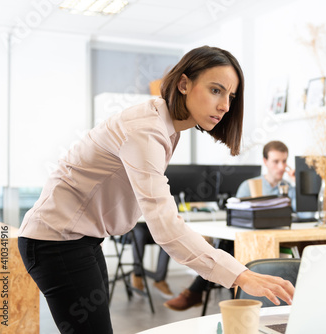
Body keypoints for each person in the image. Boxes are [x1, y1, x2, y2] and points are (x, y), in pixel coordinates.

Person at [17, 46, 294, 333]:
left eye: (231, 96)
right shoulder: (146, 130)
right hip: (55, 241)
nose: (225, 105)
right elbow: (166, 229)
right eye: (216, 90)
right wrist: (241, 275)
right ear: (184, 84)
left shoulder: (166, 126)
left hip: (80, 240)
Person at [164, 140, 296, 311]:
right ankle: (200, 293)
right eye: (276, 161)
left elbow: (305, 214)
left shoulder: (288, 187)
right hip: (244, 239)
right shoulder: (249, 186)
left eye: (284, 161)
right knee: (228, 248)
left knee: (227, 249)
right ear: (265, 162)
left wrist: (295, 183)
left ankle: (194, 292)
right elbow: (237, 216)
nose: (281, 166)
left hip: (276, 237)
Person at [129, 223, 173, 298]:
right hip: (130, 229)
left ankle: (159, 280)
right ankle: (137, 275)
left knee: (168, 236)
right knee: (139, 233)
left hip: (152, 226)